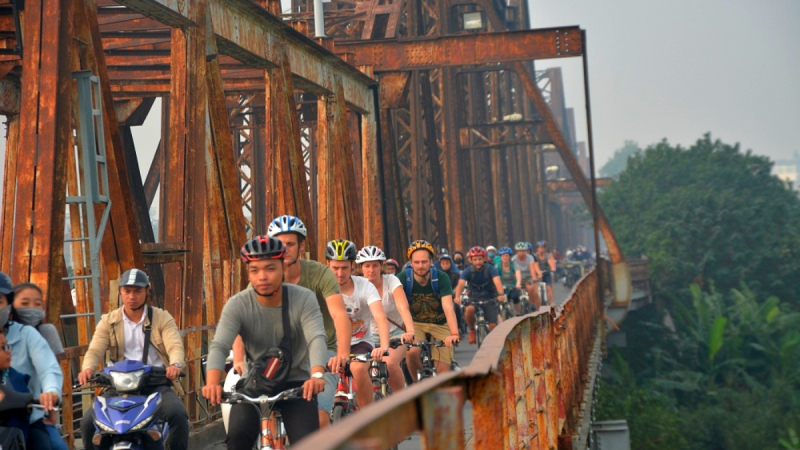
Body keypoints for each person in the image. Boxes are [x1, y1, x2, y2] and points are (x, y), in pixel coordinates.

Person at [203, 236, 327, 449]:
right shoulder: (238, 304)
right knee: (237, 437)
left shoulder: (304, 298)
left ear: (283, 266)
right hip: (256, 383)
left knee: (310, 443)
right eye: (254, 270)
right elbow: (220, 345)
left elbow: (316, 337)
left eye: (270, 268)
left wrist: (316, 375)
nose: (262, 277)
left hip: (297, 384)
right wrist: (212, 382)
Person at [232, 215, 350, 428]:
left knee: (319, 418)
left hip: (321, 354)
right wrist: (239, 359)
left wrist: (342, 353)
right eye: (279, 244)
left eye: (290, 244)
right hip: (278, 356)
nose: (284, 249)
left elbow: (339, 315)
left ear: (301, 246)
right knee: (262, 413)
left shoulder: (320, 274)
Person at [78, 268, 188, 450]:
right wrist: (87, 368)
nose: (132, 296)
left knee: (178, 414)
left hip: (155, 384)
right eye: (127, 291)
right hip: (118, 386)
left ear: (147, 291)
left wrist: (175, 364)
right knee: (88, 422)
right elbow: (95, 349)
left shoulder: (161, 317)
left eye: (137, 291)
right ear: (120, 292)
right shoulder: (109, 321)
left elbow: (174, 345)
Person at [0, 272, 61, 450]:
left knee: (54, 446)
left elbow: (48, 368)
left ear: (9, 305)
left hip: (27, 418)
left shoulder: (27, 334)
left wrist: (50, 392)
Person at [325, 240, 390, 407]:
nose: (340, 273)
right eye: (335, 268)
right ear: (327, 265)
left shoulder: (365, 286)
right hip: (332, 343)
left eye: (344, 268)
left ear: (353, 265)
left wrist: (383, 346)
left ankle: (366, 417)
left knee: (359, 369)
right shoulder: (322, 287)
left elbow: (380, 316)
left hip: (360, 342)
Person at [12, 283, 67, 450]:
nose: (31, 308)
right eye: (25, 303)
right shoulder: (8, 334)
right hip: (6, 412)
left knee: (57, 447)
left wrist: (52, 402)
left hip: (33, 412)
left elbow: (50, 369)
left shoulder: (40, 333)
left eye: (37, 304)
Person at [356, 245, 416, 394]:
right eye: (367, 266)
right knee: (356, 369)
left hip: (394, 334)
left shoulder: (391, 281)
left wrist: (410, 331)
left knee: (388, 363)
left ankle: (402, 399)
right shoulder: (356, 285)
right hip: (367, 336)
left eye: (375, 265)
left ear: (381, 266)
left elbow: (403, 307)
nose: (371, 270)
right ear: (360, 268)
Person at [396, 241, 460, 376]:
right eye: (417, 262)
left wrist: (454, 333)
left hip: (440, 324)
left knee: (442, 374)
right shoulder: (402, 278)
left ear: (431, 261)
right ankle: (417, 386)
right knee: (412, 352)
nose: (420, 266)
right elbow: (400, 306)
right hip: (415, 324)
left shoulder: (441, 278)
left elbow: (448, 307)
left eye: (424, 262)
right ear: (411, 262)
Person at [453, 247, 506, 344]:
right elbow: (460, 284)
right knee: (468, 310)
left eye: (480, 259)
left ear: (484, 258)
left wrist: (501, 294)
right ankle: (472, 330)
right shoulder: (468, 271)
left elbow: (497, 281)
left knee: (493, 327)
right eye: (475, 259)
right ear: (471, 260)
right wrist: (457, 297)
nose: (478, 262)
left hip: (489, 297)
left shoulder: (490, 269)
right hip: (474, 298)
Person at [512, 241, 540, 309]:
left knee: (531, 289)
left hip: (528, 276)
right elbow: (513, 270)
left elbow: (532, 269)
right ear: (517, 252)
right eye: (520, 251)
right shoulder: (513, 259)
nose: (522, 253)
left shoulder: (530, 258)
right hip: (517, 277)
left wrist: (534, 277)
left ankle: (532, 304)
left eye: (523, 251)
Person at [497, 247, 523, 315]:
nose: (505, 257)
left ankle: (518, 313)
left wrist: (518, 283)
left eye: (507, 255)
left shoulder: (514, 265)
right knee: (497, 300)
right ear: (500, 257)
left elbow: (518, 275)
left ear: (510, 257)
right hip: (501, 287)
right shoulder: (497, 266)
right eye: (503, 256)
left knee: (515, 296)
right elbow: (495, 278)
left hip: (512, 286)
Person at [533, 241, 557, 305]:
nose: (541, 249)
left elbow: (551, 263)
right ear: (537, 248)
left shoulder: (547, 255)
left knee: (549, 287)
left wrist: (552, 268)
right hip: (537, 274)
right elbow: (535, 265)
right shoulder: (535, 256)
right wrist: (538, 273)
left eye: (543, 248)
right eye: (540, 248)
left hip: (546, 272)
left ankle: (551, 302)